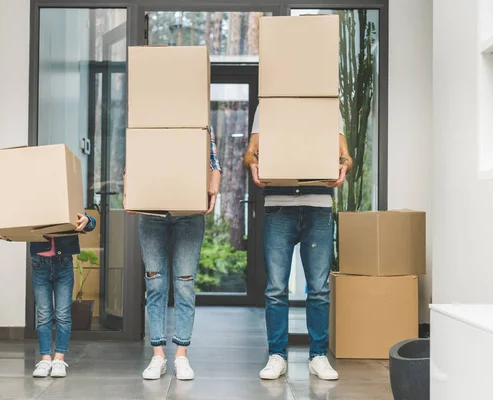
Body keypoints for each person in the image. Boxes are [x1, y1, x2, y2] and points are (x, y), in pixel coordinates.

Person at [243, 105, 352, 381]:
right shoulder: (268, 105)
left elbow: (344, 154)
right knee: (276, 288)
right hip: (278, 206)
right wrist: (252, 162)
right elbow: (250, 150)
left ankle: (318, 357)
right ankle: (276, 355)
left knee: (318, 288)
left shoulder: (327, 104)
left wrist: (344, 165)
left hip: (318, 206)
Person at [124, 130, 222, 381]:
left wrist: (214, 186)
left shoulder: (198, 121)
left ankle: (181, 355)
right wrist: (129, 190)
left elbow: (213, 162)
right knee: (155, 282)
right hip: (153, 210)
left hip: (189, 211)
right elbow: (133, 162)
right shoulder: (148, 121)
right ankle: (158, 355)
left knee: (185, 283)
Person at [0, 212, 96, 378]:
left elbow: (90, 223)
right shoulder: (36, 205)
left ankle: (59, 358)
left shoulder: (66, 203)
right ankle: (45, 358)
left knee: (63, 314)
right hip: (39, 266)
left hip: (63, 265)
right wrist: (6, 234)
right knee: (43, 315)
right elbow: (18, 225)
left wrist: (87, 220)